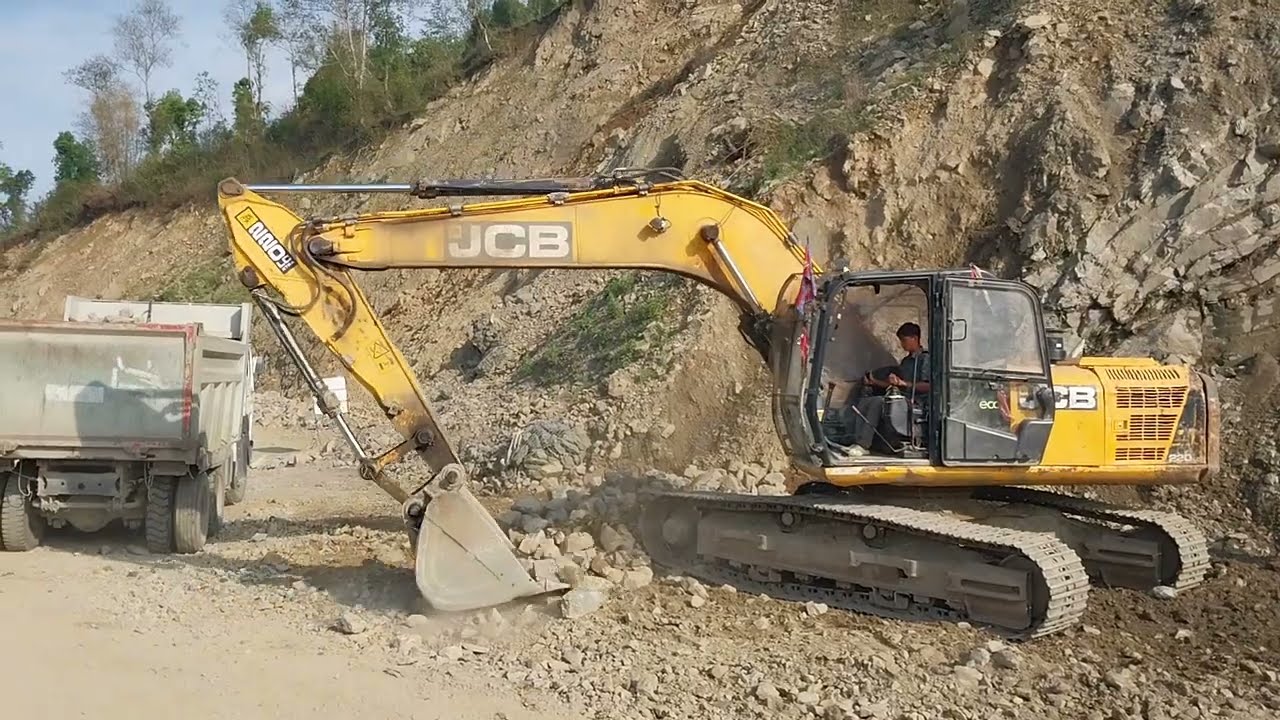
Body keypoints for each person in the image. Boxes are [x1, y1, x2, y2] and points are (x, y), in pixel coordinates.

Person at [841, 322, 931, 452]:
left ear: (915, 338)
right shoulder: (906, 362)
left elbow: (928, 386)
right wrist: (874, 382)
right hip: (900, 398)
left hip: (917, 402)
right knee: (867, 401)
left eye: (904, 340)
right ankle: (855, 438)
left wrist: (904, 384)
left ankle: (863, 445)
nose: (902, 344)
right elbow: (895, 384)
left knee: (877, 403)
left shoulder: (925, 359)